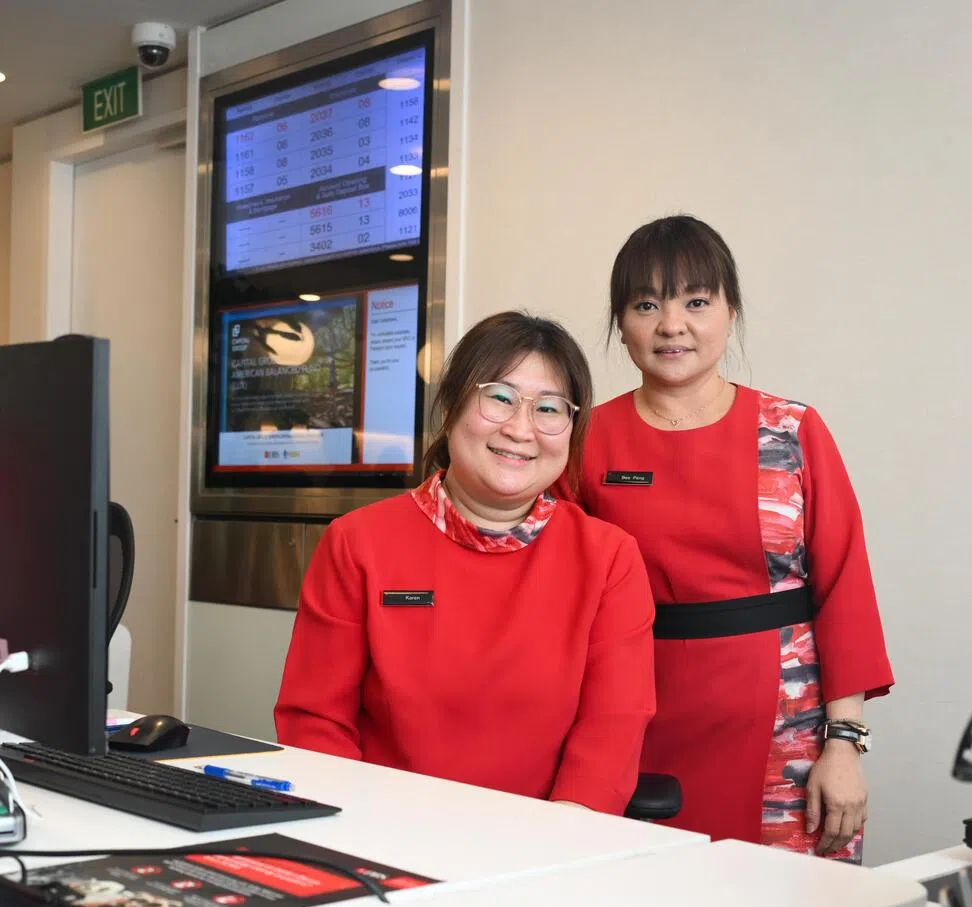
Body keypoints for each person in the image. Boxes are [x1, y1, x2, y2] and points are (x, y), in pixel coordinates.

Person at [560, 215, 893, 860]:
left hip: (788, 735)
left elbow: (845, 588)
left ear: (730, 313)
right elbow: (556, 595)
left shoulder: (791, 430)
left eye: (696, 302)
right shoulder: (584, 441)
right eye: (646, 304)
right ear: (619, 322)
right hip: (634, 724)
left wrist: (845, 743)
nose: (671, 325)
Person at [274, 311, 656, 815]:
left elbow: (614, 726)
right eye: (499, 398)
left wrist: (564, 838)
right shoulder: (357, 543)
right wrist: (358, 829)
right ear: (452, 404)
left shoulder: (609, 558)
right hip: (383, 833)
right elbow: (316, 722)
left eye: (549, 408)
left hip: (545, 845)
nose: (521, 429)